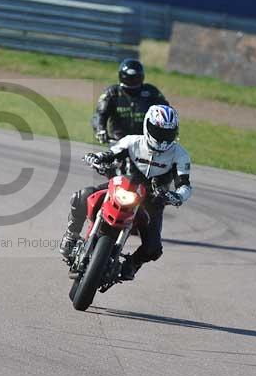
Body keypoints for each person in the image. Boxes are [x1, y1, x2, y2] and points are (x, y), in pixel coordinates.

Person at [60, 105, 192, 281]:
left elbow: (185, 185)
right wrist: (97, 158)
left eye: (167, 133)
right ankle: (71, 235)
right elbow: (110, 153)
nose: (161, 138)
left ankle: (132, 264)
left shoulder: (180, 155)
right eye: (157, 131)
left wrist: (177, 196)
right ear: (147, 126)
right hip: (121, 186)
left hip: (152, 201)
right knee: (82, 196)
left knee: (153, 247)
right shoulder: (132, 142)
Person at [91, 58, 168, 144]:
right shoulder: (112, 93)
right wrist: (100, 130)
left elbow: (166, 112)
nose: (132, 81)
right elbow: (100, 115)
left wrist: (163, 134)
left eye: (135, 78)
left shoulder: (151, 93)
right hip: (118, 143)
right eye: (129, 78)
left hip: (145, 143)